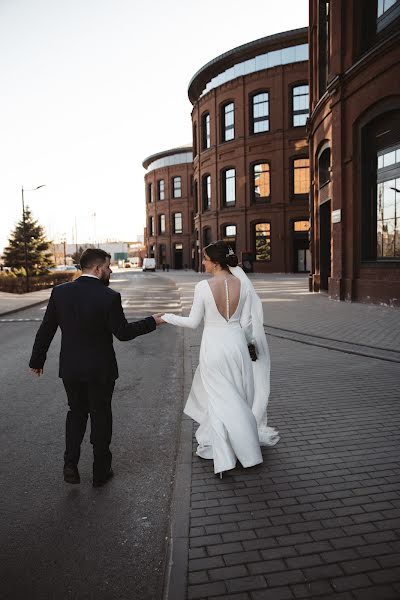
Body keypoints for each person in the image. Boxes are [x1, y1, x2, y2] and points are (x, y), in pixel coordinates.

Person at [29, 248, 163, 487]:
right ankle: (100, 472)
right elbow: (123, 333)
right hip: (100, 370)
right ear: (98, 268)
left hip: (70, 369)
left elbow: (46, 329)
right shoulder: (109, 296)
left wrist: (37, 360)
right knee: (101, 416)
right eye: (108, 267)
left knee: (76, 413)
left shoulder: (60, 292)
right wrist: (152, 321)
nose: (110, 271)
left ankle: (70, 463)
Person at [160, 241, 279, 477]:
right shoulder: (243, 285)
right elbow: (247, 324)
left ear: (215, 262)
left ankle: (224, 459)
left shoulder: (203, 287)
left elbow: (193, 323)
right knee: (239, 397)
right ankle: (246, 451)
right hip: (237, 347)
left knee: (218, 400)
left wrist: (166, 317)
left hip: (213, 347)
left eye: (205, 258)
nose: (202, 262)